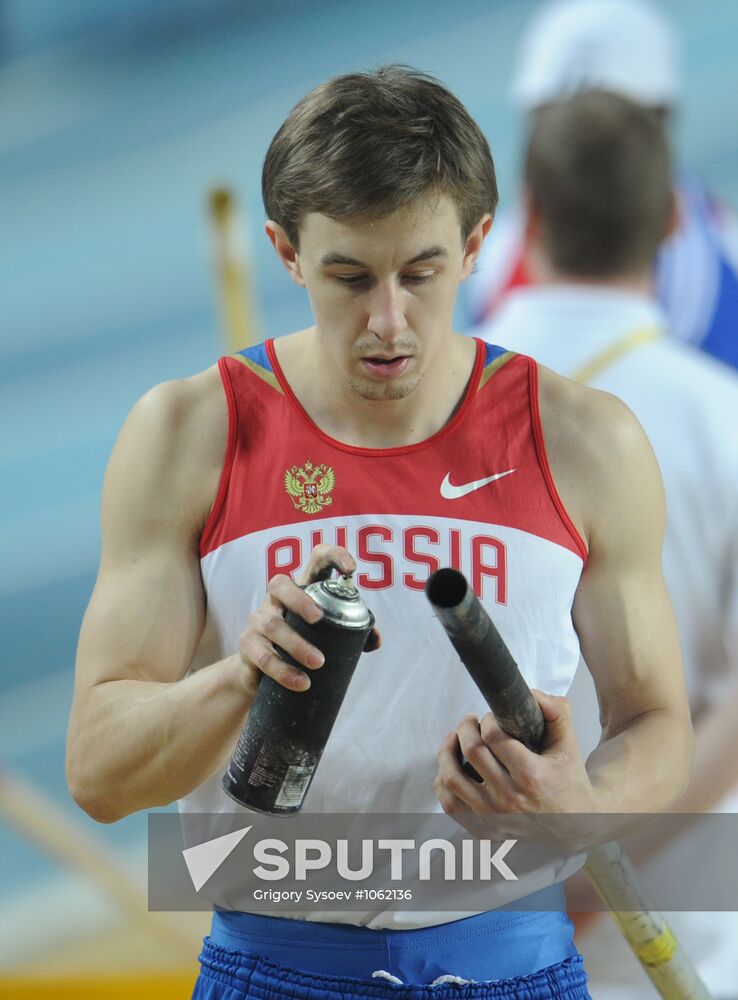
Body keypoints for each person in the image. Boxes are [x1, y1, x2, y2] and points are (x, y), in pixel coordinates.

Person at [66, 66, 692, 999]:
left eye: (422, 273)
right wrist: (243, 676)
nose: (388, 323)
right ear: (285, 252)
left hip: (512, 967)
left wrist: (583, 808)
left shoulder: (584, 442)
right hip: (274, 966)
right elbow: (99, 775)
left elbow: (657, 722)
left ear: (481, 242)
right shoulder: (189, 435)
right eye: (350, 277)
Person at [477, 88, 738, 998]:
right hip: (688, 936)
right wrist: (592, 870)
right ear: (672, 220)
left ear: (528, 215)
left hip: (478, 934)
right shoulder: (725, 420)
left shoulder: (430, 414)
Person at [465, 0, 738, 370]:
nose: (583, 153)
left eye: (614, 129)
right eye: (557, 126)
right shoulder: (491, 259)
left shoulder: (726, 269)